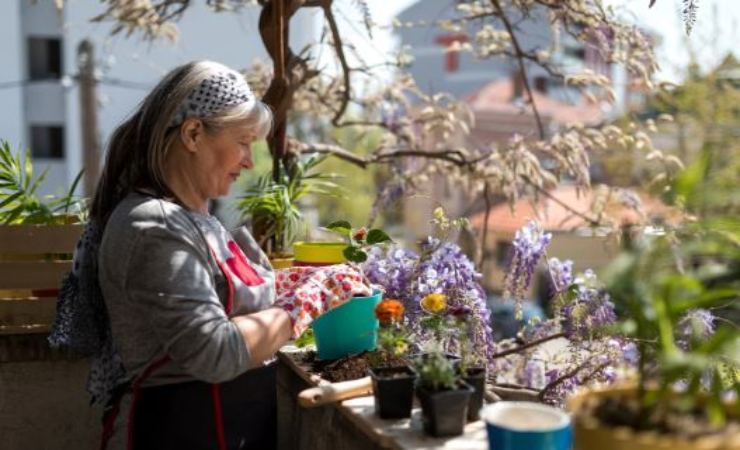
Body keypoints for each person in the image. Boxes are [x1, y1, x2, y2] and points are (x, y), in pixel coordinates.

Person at [50, 61, 365, 450]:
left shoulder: (194, 218)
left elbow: (217, 302)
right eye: (244, 141)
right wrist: (305, 303)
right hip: (176, 433)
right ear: (194, 133)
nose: (250, 160)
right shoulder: (153, 226)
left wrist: (293, 283)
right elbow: (214, 351)